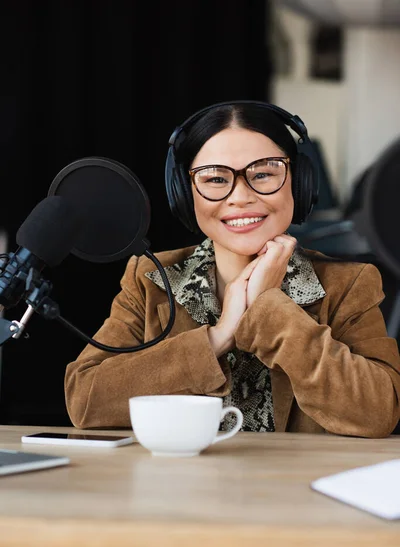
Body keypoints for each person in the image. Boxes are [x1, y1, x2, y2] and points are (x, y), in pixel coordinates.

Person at [65, 100, 400, 438]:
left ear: (298, 184)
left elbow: (378, 412)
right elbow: (85, 400)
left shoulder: (348, 284)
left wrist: (271, 308)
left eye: (264, 174)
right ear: (184, 194)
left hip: (296, 488)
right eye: (215, 179)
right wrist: (217, 337)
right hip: (180, 488)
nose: (240, 197)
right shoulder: (150, 281)